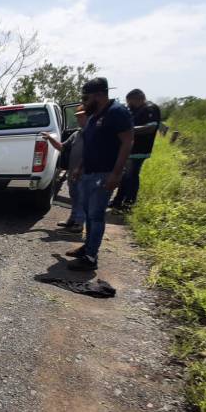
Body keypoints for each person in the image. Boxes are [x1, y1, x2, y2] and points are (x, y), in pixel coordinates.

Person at [67, 77, 134, 271]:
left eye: (86, 98)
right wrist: (80, 167)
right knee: (89, 213)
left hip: (104, 173)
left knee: (96, 215)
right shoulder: (95, 115)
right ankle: (88, 247)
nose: (84, 102)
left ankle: (90, 257)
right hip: (89, 172)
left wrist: (116, 173)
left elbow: (127, 142)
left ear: (99, 95)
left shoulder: (117, 112)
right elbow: (90, 146)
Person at [110, 88, 161, 210]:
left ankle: (129, 203)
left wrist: (128, 130)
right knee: (125, 176)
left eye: (130, 102)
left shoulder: (150, 108)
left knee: (131, 176)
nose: (129, 105)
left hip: (139, 150)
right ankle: (118, 201)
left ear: (138, 99)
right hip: (131, 149)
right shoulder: (138, 109)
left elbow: (150, 128)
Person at [42, 105, 88, 234]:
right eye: (77, 116)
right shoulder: (76, 134)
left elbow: (89, 153)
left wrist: (79, 168)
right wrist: (50, 138)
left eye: (81, 116)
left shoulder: (92, 134)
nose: (79, 119)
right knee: (74, 196)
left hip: (84, 172)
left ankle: (79, 223)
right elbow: (62, 147)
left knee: (82, 198)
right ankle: (72, 220)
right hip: (73, 172)